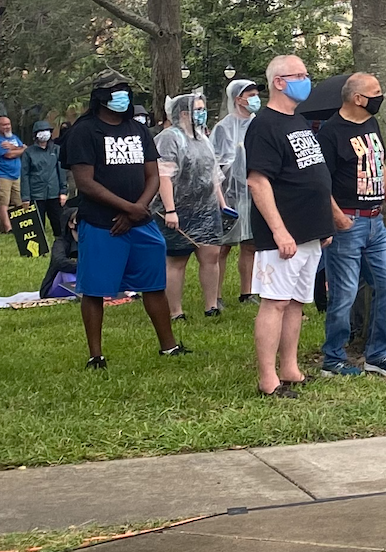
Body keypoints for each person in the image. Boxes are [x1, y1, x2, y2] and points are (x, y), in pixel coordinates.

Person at [62, 73, 188, 371]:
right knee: (94, 289)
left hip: (139, 221)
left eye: (125, 91)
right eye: (116, 92)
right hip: (101, 222)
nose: (123, 97)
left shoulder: (138, 129)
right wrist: (128, 209)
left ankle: (168, 346)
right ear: (101, 97)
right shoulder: (85, 131)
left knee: (153, 284)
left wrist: (137, 210)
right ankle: (96, 354)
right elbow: (86, 182)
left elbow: (153, 175)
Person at [244, 55, 336, 394]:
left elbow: (312, 175)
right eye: (300, 75)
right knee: (276, 302)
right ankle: (268, 378)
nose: (306, 80)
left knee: (297, 302)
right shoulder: (265, 125)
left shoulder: (297, 121)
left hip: (310, 230)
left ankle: (290, 367)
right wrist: (280, 230)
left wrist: (324, 223)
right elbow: (258, 182)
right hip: (283, 232)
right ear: (279, 82)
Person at [316, 73, 386, 374]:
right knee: (344, 292)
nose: (380, 97)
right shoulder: (331, 132)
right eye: (376, 92)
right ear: (358, 98)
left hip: (375, 222)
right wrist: (336, 215)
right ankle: (333, 358)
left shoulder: (371, 123)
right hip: (348, 220)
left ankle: (377, 354)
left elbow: (379, 165)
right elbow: (322, 180)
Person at [155, 94, 227, 321]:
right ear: (183, 113)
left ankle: (211, 305)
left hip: (206, 208)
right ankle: (175, 311)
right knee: (177, 260)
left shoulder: (203, 138)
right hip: (179, 208)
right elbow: (163, 175)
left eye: (203, 109)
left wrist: (222, 204)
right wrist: (170, 209)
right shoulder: (169, 138)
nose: (202, 113)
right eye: (197, 109)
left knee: (211, 255)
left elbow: (213, 174)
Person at [213, 79, 262, 303]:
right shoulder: (223, 127)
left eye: (255, 94)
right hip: (229, 193)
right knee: (223, 246)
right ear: (237, 99)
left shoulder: (260, 124)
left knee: (250, 244)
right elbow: (214, 162)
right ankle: (216, 294)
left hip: (254, 191)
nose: (254, 98)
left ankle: (247, 292)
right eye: (249, 94)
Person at [21, 121, 66, 255]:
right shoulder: (28, 152)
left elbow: (61, 171)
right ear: (35, 135)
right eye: (42, 131)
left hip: (54, 192)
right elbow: (25, 175)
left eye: (47, 130)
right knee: (37, 224)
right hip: (36, 193)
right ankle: (37, 251)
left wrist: (63, 191)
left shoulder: (56, 149)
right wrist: (25, 197)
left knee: (58, 223)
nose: (45, 133)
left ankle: (62, 249)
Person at [0, 114, 25, 230]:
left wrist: (13, 147)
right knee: (3, 202)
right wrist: (19, 149)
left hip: (17, 174)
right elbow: (8, 155)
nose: (7, 127)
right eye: (4, 125)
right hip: (3, 175)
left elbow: (26, 148)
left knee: (19, 201)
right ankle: (8, 228)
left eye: (8, 124)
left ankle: (21, 225)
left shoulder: (13, 137)